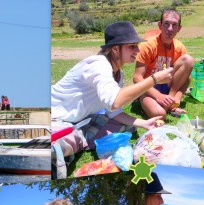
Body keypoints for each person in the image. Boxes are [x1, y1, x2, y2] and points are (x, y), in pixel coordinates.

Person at [51, 21, 174, 165]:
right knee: (60, 144)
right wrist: (154, 79)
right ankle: (70, 140)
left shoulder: (118, 73)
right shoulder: (98, 65)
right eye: (132, 46)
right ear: (115, 49)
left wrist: (144, 123)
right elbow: (115, 101)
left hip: (81, 119)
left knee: (129, 127)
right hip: (56, 117)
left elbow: (113, 111)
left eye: (137, 46)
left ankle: (81, 136)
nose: (137, 51)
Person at [134, 8, 193, 119]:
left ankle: (170, 102)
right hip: (148, 89)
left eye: (174, 25)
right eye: (166, 24)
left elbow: (185, 78)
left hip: (169, 87)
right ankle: (160, 103)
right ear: (160, 25)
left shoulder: (180, 48)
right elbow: (137, 78)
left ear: (179, 28)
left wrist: (176, 98)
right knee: (159, 115)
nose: (170, 29)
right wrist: (158, 96)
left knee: (188, 60)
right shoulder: (148, 46)